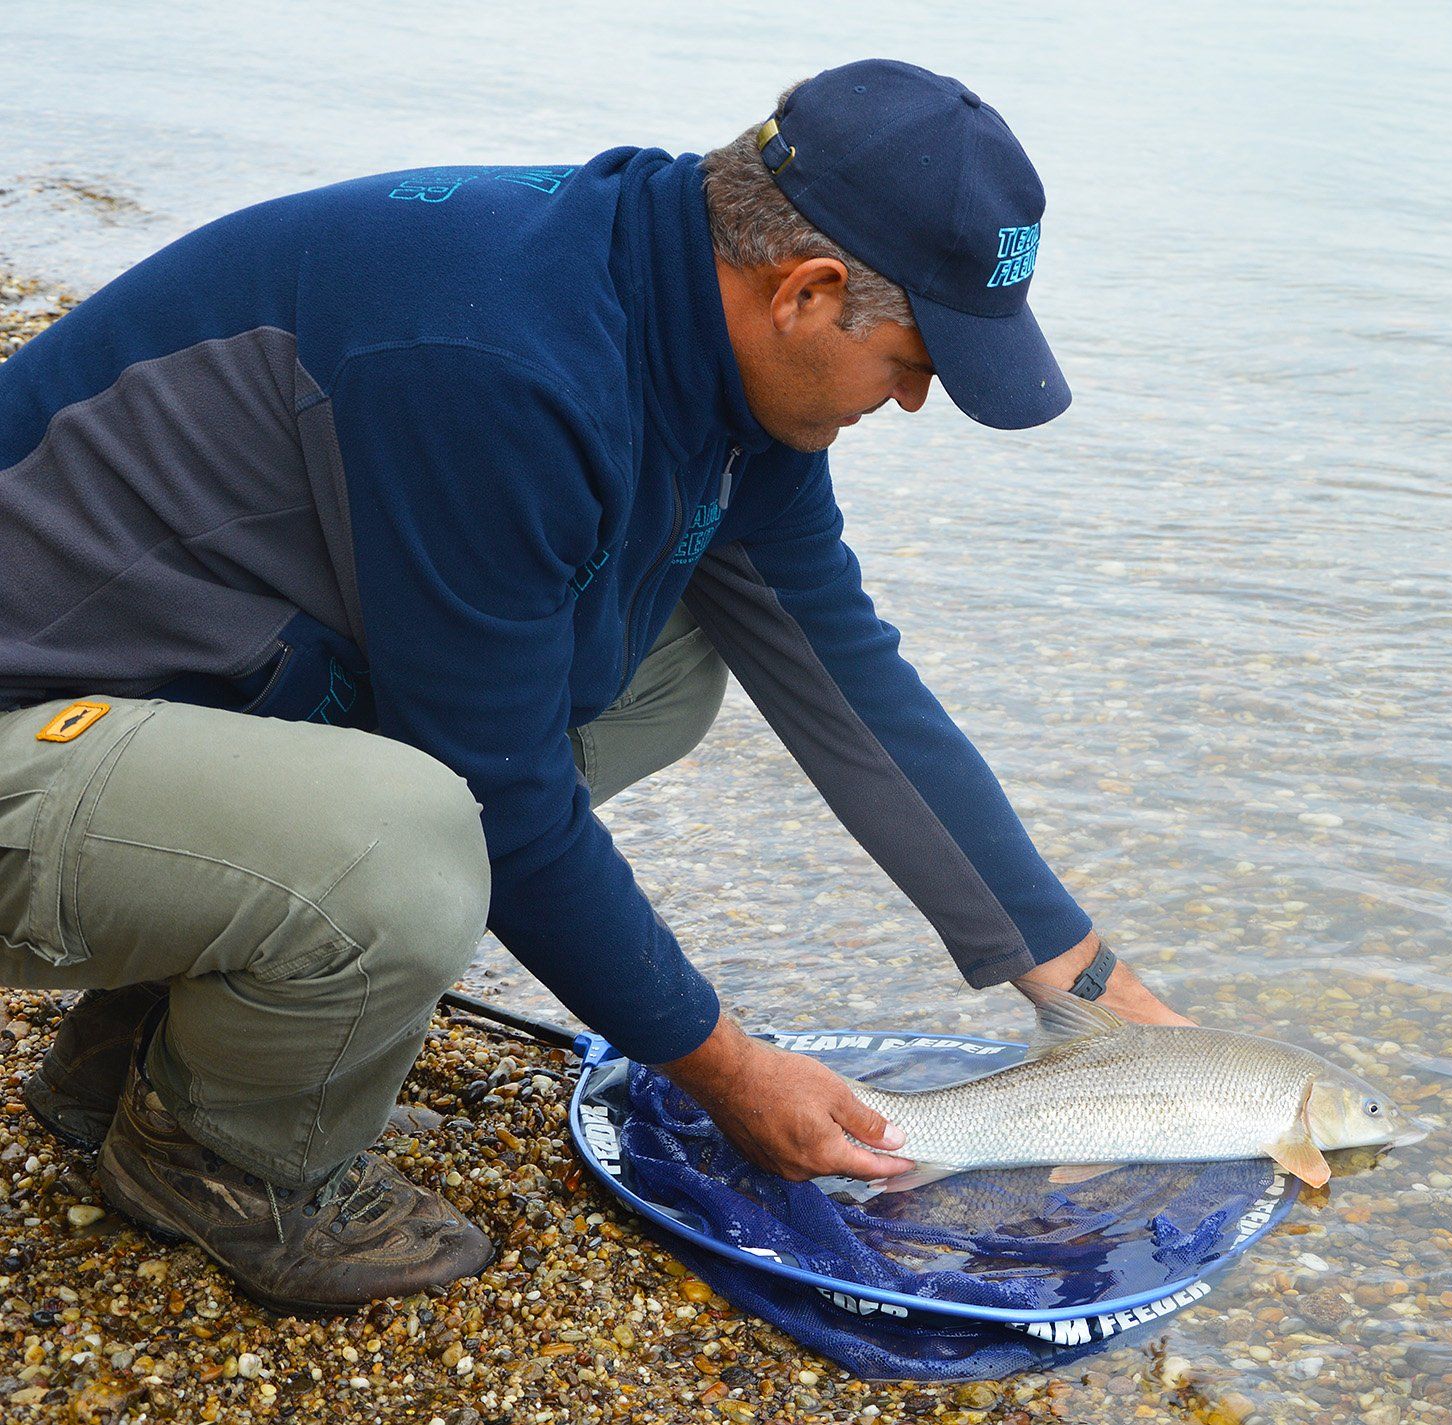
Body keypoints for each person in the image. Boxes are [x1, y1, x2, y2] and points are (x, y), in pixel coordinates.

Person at [0, 58, 1190, 1314]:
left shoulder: (681, 315)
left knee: (666, 665)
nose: (911, 399)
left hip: (162, 695)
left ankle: (160, 1036)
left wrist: (1097, 995)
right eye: (916, 359)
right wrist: (724, 1066)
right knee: (409, 842)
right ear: (810, 291)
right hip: (25, 740)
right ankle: (213, 1162)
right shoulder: (497, 364)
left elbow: (846, 681)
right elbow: (498, 794)